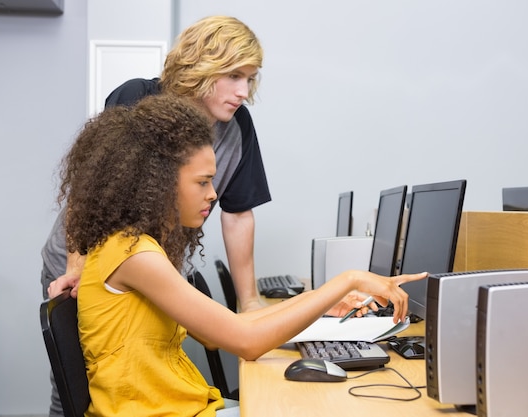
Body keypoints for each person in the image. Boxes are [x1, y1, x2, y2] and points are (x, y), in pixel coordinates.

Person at [59, 92, 426, 417]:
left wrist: (323, 298)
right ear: (157, 181)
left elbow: (223, 331)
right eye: (202, 182)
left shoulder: (135, 247)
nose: (213, 193)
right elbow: (246, 342)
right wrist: (349, 278)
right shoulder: (134, 255)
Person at [43, 15, 270, 312]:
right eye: (234, 76)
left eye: (249, 79)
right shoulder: (137, 98)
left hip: (150, 274)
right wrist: (75, 267)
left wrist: (250, 302)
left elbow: (238, 215)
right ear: (201, 66)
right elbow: (89, 190)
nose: (243, 92)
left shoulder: (238, 126)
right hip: (82, 268)